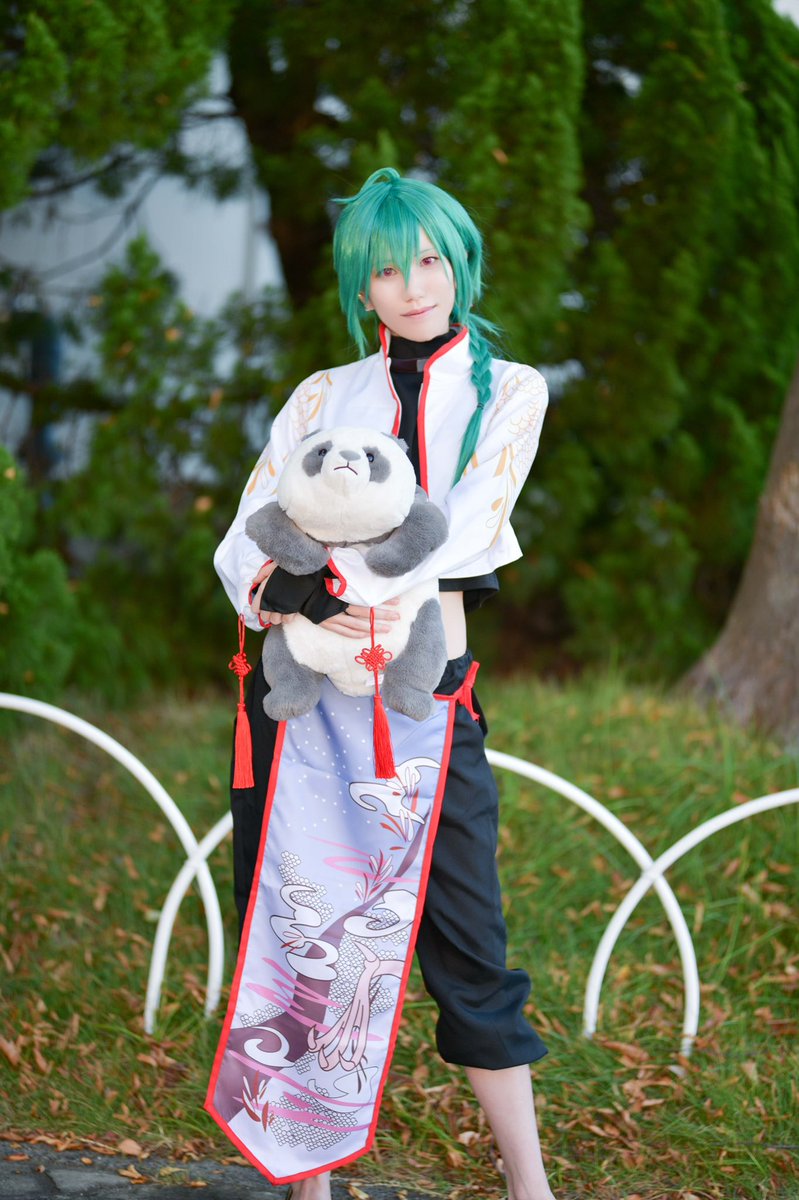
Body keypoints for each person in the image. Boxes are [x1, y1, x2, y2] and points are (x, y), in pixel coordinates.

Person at [213, 167, 554, 1200]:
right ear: (360, 285)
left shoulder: (511, 390)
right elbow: (244, 540)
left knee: (470, 944)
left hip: (425, 704)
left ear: (461, 265)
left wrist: (331, 579)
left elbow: (470, 527)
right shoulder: (323, 395)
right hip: (304, 706)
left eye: (431, 261)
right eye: (387, 270)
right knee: (299, 933)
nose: (413, 287)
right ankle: (306, 1182)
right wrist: (298, 596)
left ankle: (530, 1186)